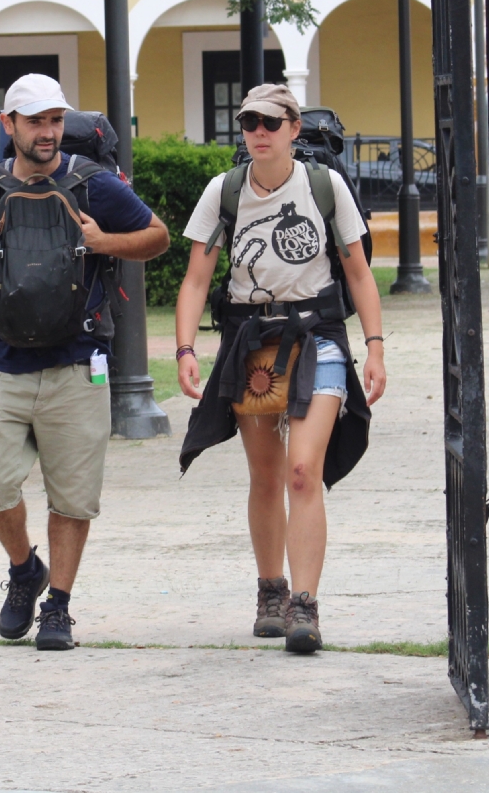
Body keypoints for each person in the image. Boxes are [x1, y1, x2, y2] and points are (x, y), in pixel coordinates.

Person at [0, 74, 170, 650]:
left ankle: (58, 607)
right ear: (9, 125)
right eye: (36, 121)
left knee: (72, 496)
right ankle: (25, 571)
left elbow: (158, 236)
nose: (48, 132)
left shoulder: (93, 185)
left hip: (77, 363)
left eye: (55, 120)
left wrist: (104, 243)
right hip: (2, 362)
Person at [172, 84, 387, 653]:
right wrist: (186, 349)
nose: (258, 132)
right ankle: (271, 590)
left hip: (318, 336)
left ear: (294, 128)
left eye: (271, 121)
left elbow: (359, 273)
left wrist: (377, 345)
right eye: (249, 122)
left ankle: (305, 607)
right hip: (251, 341)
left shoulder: (324, 185)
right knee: (266, 476)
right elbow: (196, 279)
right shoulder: (225, 192)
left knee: (301, 472)